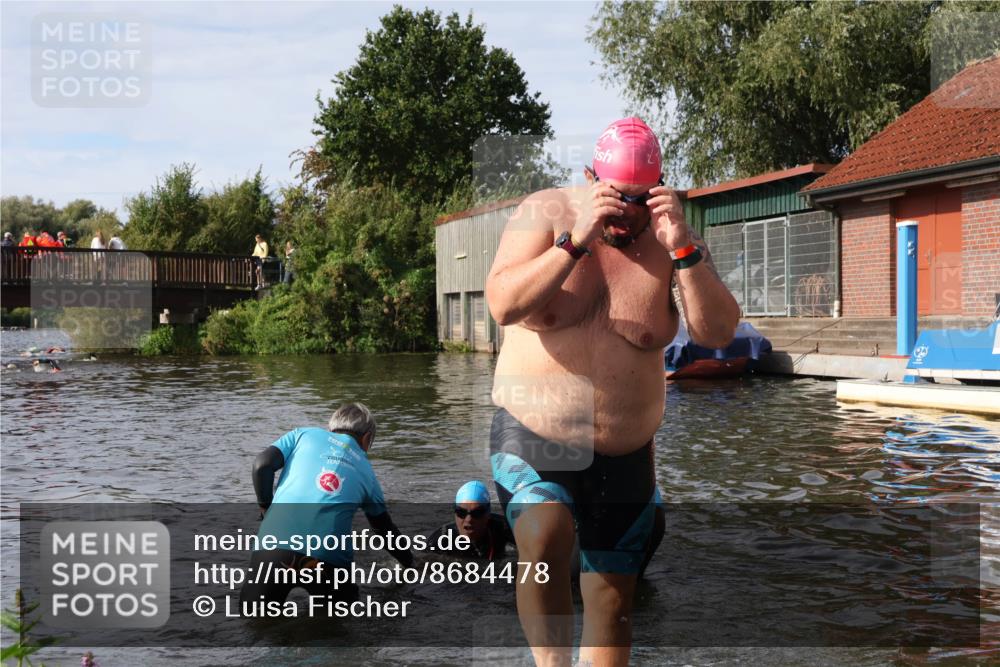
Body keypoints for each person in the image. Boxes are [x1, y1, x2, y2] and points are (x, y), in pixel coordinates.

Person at [485, 117, 739, 666]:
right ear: (591, 179)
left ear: (660, 188)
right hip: (536, 434)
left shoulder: (673, 237)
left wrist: (684, 250)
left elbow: (717, 333)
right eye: (618, 197)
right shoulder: (545, 211)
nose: (628, 212)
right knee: (545, 537)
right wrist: (575, 241)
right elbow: (502, 304)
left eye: (641, 199)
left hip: (625, 453)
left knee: (613, 601)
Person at [241, 402, 414, 612]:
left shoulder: (302, 435)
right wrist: (411, 564)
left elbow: (261, 465)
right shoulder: (369, 475)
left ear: (330, 428)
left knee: (255, 620)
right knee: (337, 625)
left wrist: (265, 508)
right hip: (329, 559)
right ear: (367, 438)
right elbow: (384, 531)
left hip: (273, 548)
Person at [429, 481, 515, 560]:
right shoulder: (441, 539)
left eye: (477, 513)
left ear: (488, 513)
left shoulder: (503, 527)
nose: (469, 519)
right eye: (461, 512)